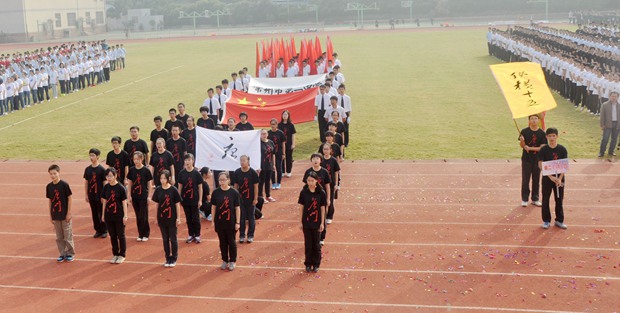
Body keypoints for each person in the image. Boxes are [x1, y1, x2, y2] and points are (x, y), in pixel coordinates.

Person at [538, 127, 568, 230]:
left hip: (559, 179)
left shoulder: (562, 149)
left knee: (559, 199)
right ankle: (546, 221)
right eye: (549, 136)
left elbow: (564, 166)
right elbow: (540, 164)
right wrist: (550, 177)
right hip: (547, 179)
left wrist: (559, 179)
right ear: (546, 137)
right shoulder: (543, 150)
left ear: (557, 137)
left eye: (553, 136)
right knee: (545, 199)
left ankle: (559, 220)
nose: (552, 138)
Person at [210, 172, 241, 271]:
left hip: (231, 222)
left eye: (224, 180)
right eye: (220, 180)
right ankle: (224, 260)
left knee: (231, 242)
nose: (222, 182)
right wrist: (213, 220)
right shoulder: (215, 192)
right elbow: (214, 207)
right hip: (219, 222)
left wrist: (238, 222)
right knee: (222, 242)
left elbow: (237, 208)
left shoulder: (234, 192)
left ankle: (232, 261)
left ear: (228, 180)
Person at [151, 170, 182, 267]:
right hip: (162, 218)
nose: (162, 180)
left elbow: (177, 205)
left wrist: (178, 218)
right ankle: (167, 258)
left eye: (164, 178)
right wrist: (156, 218)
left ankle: (174, 258)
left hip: (172, 219)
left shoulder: (173, 190)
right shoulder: (158, 190)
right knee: (165, 239)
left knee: (173, 238)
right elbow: (156, 205)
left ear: (168, 179)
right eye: (161, 178)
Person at [298, 171, 326, 273]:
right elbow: (301, 207)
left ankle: (316, 264)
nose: (310, 183)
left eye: (312, 181)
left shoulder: (321, 193)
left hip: (317, 222)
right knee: (308, 245)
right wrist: (300, 222)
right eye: (308, 181)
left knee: (316, 245)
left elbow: (323, 208)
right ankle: (308, 264)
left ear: (316, 181)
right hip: (306, 222)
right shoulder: (304, 192)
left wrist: (322, 223)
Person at [46, 164, 75, 263]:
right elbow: (50, 201)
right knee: (59, 237)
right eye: (51, 174)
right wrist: (50, 215)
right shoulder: (49, 187)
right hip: (55, 214)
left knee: (67, 235)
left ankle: (70, 253)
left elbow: (70, 198)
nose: (53, 175)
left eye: (55, 173)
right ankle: (62, 253)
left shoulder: (64, 185)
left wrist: (69, 213)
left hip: (65, 214)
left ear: (59, 173)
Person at [101, 168, 129, 264]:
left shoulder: (121, 188)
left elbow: (124, 202)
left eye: (110, 176)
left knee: (120, 235)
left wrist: (125, 216)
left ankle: (122, 254)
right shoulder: (106, 187)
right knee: (112, 235)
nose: (108, 178)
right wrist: (103, 214)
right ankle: (115, 254)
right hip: (109, 215)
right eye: (107, 176)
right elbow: (104, 201)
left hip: (119, 215)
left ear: (115, 176)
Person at [302, 154, 331, 245]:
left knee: (322, 217)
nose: (315, 160)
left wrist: (328, 198)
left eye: (317, 158)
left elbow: (327, 186)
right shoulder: (308, 172)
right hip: (310, 198)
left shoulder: (324, 172)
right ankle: (312, 237)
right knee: (311, 217)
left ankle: (321, 237)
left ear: (320, 160)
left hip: (321, 198)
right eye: (313, 158)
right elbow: (305, 186)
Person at [519, 114, 547, 207]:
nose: (534, 120)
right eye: (532, 119)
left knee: (536, 179)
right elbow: (522, 145)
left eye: (536, 119)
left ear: (538, 120)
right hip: (526, 159)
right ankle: (524, 199)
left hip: (537, 160)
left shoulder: (542, 133)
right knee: (525, 179)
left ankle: (535, 198)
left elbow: (542, 148)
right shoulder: (524, 131)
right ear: (529, 120)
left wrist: (530, 148)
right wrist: (523, 142)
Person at [127, 151, 153, 242]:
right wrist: (129, 195)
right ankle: (140, 233)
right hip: (135, 196)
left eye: (138, 159)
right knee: (138, 215)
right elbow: (129, 183)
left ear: (141, 159)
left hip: (143, 196)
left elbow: (149, 184)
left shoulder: (146, 170)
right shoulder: (132, 170)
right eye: (134, 159)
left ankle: (146, 233)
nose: (136, 161)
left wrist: (149, 196)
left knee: (144, 215)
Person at [177, 153, 204, 244]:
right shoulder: (182, 173)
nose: (187, 162)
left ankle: (197, 235)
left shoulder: (196, 173)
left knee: (195, 218)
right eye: (186, 160)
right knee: (188, 218)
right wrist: (179, 198)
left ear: (193, 161)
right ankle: (190, 234)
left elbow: (200, 187)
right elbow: (180, 186)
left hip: (195, 200)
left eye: (189, 160)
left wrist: (200, 200)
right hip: (185, 199)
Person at [233, 155, 259, 243]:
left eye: (244, 160)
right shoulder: (237, 172)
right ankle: (241, 235)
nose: (242, 162)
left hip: (250, 198)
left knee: (251, 217)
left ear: (248, 161)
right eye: (241, 160)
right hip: (241, 199)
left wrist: (255, 199)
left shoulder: (253, 172)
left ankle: (250, 235)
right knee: (241, 217)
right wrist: (235, 199)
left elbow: (256, 187)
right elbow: (235, 186)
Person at [83, 148, 107, 239]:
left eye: (93, 155)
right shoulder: (88, 169)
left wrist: (104, 196)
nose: (91, 157)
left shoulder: (101, 169)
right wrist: (86, 194)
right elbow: (86, 182)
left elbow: (104, 183)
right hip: (91, 195)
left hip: (99, 195)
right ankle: (98, 230)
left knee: (101, 213)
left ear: (97, 157)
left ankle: (104, 230)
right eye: (90, 155)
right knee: (94, 213)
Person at [321, 143, 340, 227]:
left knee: (330, 201)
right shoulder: (320, 160)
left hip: (331, 184)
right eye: (324, 149)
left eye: (327, 149)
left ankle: (329, 216)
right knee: (322, 200)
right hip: (321, 184)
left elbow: (336, 172)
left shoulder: (333, 160)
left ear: (330, 150)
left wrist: (336, 183)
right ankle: (322, 215)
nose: (325, 151)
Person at [598, 91, 620, 157]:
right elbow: (602, 116)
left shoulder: (619, 105)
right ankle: (601, 152)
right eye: (612, 96)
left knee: (614, 139)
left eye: (615, 96)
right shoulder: (605, 105)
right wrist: (602, 125)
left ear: (617, 97)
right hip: (608, 124)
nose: (614, 98)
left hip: (617, 124)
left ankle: (611, 151)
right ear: (610, 97)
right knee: (605, 138)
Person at [268, 118, 286, 190]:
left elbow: (283, 143)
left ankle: (278, 182)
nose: (273, 126)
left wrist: (283, 153)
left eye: (274, 124)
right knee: (272, 168)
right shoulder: (268, 133)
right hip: (270, 154)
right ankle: (273, 183)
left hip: (278, 153)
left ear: (277, 125)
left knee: (278, 168)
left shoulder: (280, 133)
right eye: (272, 124)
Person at [259, 129, 277, 203]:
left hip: (269, 164)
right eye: (262, 134)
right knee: (261, 181)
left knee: (268, 181)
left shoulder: (271, 142)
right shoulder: (258, 143)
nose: (264, 135)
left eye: (265, 134)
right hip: (261, 165)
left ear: (267, 134)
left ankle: (268, 195)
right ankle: (261, 197)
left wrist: (274, 165)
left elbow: (273, 154)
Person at [278, 110, 296, 177]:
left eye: (286, 114)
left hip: (289, 144)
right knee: (282, 157)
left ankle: (289, 171)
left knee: (289, 158)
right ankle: (282, 171)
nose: (284, 116)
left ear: (288, 116)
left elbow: (293, 134)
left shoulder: (291, 125)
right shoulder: (279, 125)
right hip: (281, 144)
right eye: (283, 114)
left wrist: (293, 144)